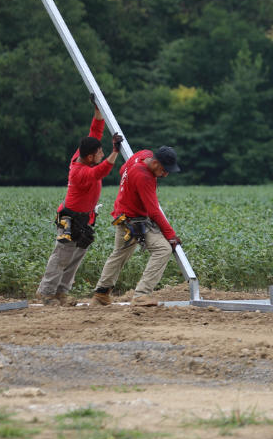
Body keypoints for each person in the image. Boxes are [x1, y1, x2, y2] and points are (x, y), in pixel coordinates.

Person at [35, 103, 123, 305]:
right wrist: (115, 151)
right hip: (70, 219)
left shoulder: (83, 155)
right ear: (91, 156)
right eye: (100, 152)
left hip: (85, 219)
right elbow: (100, 172)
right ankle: (47, 293)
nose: (102, 154)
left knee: (75, 258)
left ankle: (61, 293)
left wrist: (98, 112)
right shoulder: (80, 171)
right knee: (61, 257)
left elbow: (95, 132)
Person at [92, 144, 182, 307]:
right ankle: (141, 295)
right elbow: (154, 211)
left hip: (124, 214)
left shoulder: (143, 154)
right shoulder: (144, 177)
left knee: (119, 255)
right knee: (163, 249)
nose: (165, 174)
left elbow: (122, 171)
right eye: (164, 170)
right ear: (155, 163)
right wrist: (171, 235)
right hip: (132, 220)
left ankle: (101, 294)